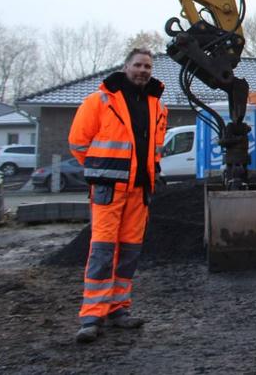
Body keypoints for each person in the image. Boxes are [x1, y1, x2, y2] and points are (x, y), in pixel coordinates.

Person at [68, 48, 168, 344]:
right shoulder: (100, 100)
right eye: (138, 65)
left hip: (139, 190)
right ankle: (92, 315)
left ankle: (119, 308)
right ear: (126, 67)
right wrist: (102, 170)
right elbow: (78, 143)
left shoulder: (157, 105)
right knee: (102, 251)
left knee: (129, 252)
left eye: (147, 66)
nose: (143, 70)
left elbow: (156, 148)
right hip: (109, 190)